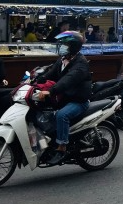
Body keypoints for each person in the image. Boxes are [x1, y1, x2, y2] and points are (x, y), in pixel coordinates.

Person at [33, 31, 92, 165]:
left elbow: (67, 81)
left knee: (61, 116)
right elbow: (50, 74)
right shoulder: (62, 60)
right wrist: (35, 82)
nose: (63, 46)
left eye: (66, 44)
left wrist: (50, 91)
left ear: (73, 46)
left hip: (78, 100)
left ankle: (62, 147)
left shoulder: (81, 64)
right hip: (64, 98)